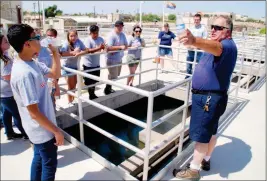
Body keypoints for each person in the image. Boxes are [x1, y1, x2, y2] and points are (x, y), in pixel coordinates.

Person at [173, 15, 237, 180]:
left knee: (201, 135)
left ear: (228, 32)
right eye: (212, 27)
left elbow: (217, 48)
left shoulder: (226, 46)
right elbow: (212, 48)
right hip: (213, 97)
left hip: (208, 99)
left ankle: (193, 170)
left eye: (218, 28)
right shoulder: (221, 44)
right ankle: (206, 160)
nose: (213, 30)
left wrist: (193, 40)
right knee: (211, 132)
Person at [7, 24, 64, 181]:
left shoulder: (32, 63)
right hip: (41, 130)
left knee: (39, 159)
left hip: (40, 129)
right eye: (37, 38)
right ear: (27, 44)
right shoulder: (24, 73)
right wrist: (56, 131)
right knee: (49, 165)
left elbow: (55, 73)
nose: (40, 40)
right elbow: (33, 112)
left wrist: (55, 54)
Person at [0, 34, 28, 140]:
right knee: (18, 114)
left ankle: (9, 133)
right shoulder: (4, 60)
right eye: (5, 42)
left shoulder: (5, 56)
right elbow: (7, 76)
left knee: (7, 113)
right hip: (8, 93)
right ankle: (26, 134)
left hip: (3, 93)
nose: (8, 43)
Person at [77, 25, 105, 100]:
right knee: (89, 82)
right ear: (90, 33)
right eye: (94, 33)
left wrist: (104, 48)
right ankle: (91, 95)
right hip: (88, 65)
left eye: (97, 33)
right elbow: (88, 51)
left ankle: (92, 93)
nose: (95, 34)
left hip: (96, 64)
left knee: (95, 80)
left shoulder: (100, 39)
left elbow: (104, 46)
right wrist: (99, 48)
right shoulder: (87, 40)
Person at [60, 29, 87, 105]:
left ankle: (72, 99)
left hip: (75, 67)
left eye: (74, 35)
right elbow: (62, 53)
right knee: (70, 86)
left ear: (77, 36)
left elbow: (86, 50)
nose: (73, 37)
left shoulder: (79, 42)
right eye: (71, 36)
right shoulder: (66, 44)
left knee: (74, 85)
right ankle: (70, 101)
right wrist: (73, 53)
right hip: (68, 67)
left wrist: (79, 53)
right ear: (68, 37)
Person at [38, 28, 60, 109]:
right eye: (47, 35)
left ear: (55, 36)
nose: (49, 38)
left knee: (52, 99)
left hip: (52, 78)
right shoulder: (40, 49)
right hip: (44, 81)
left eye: (51, 36)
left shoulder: (55, 46)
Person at [105, 20, 128, 95]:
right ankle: (107, 89)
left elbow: (126, 45)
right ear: (115, 26)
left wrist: (121, 48)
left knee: (116, 75)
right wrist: (120, 47)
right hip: (111, 59)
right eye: (118, 26)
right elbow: (108, 48)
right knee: (114, 76)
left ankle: (108, 88)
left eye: (121, 26)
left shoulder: (122, 35)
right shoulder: (111, 35)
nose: (120, 27)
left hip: (119, 58)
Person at [185, 13, 208, 79]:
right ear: (193, 20)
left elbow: (204, 40)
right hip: (190, 50)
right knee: (189, 65)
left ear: (200, 20)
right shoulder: (190, 28)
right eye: (195, 19)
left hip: (199, 51)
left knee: (199, 66)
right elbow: (188, 38)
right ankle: (187, 79)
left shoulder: (203, 29)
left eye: (197, 20)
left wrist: (197, 46)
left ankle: (198, 79)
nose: (196, 21)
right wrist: (189, 45)